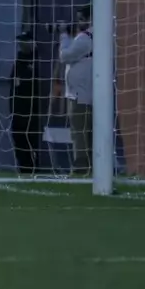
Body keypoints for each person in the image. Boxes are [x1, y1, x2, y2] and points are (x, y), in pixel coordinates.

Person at [61, 13, 95, 176]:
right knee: (86, 132)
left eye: (82, 18)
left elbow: (64, 56)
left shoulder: (85, 37)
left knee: (79, 132)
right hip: (86, 93)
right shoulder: (93, 36)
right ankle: (90, 166)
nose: (79, 22)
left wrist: (63, 36)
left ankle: (81, 167)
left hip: (79, 94)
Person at [10, 30, 46, 175]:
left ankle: (35, 169)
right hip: (18, 109)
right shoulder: (19, 60)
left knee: (33, 141)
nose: (21, 44)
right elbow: (14, 83)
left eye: (25, 40)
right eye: (20, 41)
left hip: (33, 110)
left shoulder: (39, 59)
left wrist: (22, 82)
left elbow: (29, 82)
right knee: (19, 141)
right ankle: (24, 170)